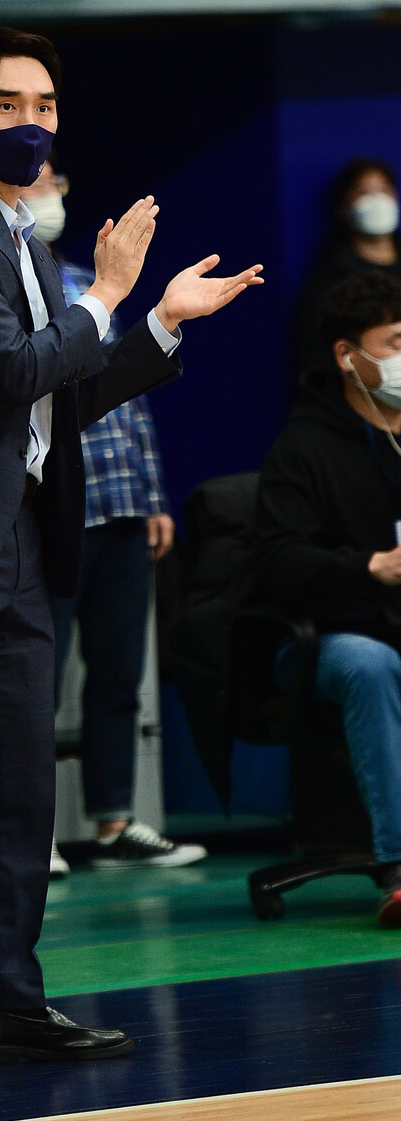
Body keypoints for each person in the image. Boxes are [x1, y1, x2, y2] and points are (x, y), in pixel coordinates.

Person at [0, 27, 262, 1085]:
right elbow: (13, 366)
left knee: (24, 775)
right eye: (6, 105)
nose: (30, 123)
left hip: (20, 530)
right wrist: (106, 292)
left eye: (45, 106)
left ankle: (8, 1003)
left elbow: (58, 395)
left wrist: (157, 322)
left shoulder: (24, 239)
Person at [19, 162, 207, 874]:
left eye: (56, 180)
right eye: (37, 180)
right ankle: (26, 830)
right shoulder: (13, 283)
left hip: (122, 502)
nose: (50, 192)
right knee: (34, 675)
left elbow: (133, 396)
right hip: (55, 506)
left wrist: (152, 496)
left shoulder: (90, 282)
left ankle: (114, 821)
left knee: (119, 674)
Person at [254, 269, 401, 927]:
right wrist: (369, 566)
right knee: (371, 665)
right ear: (347, 355)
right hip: (321, 637)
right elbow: (275, 563)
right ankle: (398, 866)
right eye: (395, 341)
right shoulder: (303, 446)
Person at [294, 158, 401, 373]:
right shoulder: (329, 279)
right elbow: (315, 358)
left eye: (384, 190)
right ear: (343, 206)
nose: (377, 200)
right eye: (363, 192)